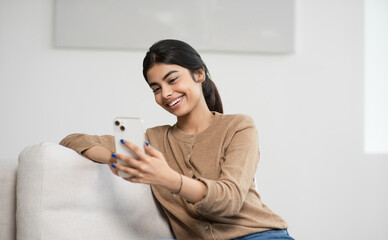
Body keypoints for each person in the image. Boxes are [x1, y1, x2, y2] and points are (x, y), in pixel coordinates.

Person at [60, 39, 294, 240]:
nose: (166, 94)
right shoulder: (153, 140)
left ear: (199, 74)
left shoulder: (238, 126)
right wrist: (118, 158)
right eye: (156, 88)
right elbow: (72, 140)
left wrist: (168, 178)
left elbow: (229, 200)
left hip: (259, 235)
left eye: (172, 80)